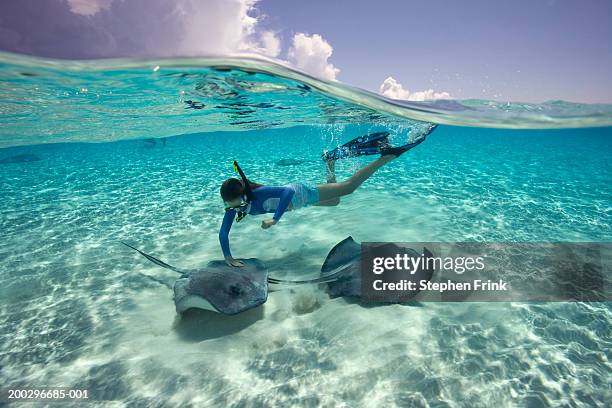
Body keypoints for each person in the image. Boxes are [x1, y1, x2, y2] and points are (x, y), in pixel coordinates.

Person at [219, 128, 435, 267]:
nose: (226, 206)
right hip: (298, 203)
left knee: (349, 188)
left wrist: (275, 218)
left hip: (300, 193)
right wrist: (228, 258)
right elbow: (223, 232)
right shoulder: (236, 207)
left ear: (239, 196)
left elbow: (287, 192)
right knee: (335, 201)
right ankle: (330, 162)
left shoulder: (257, 194)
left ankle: (386, 157)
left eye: (228, 201)